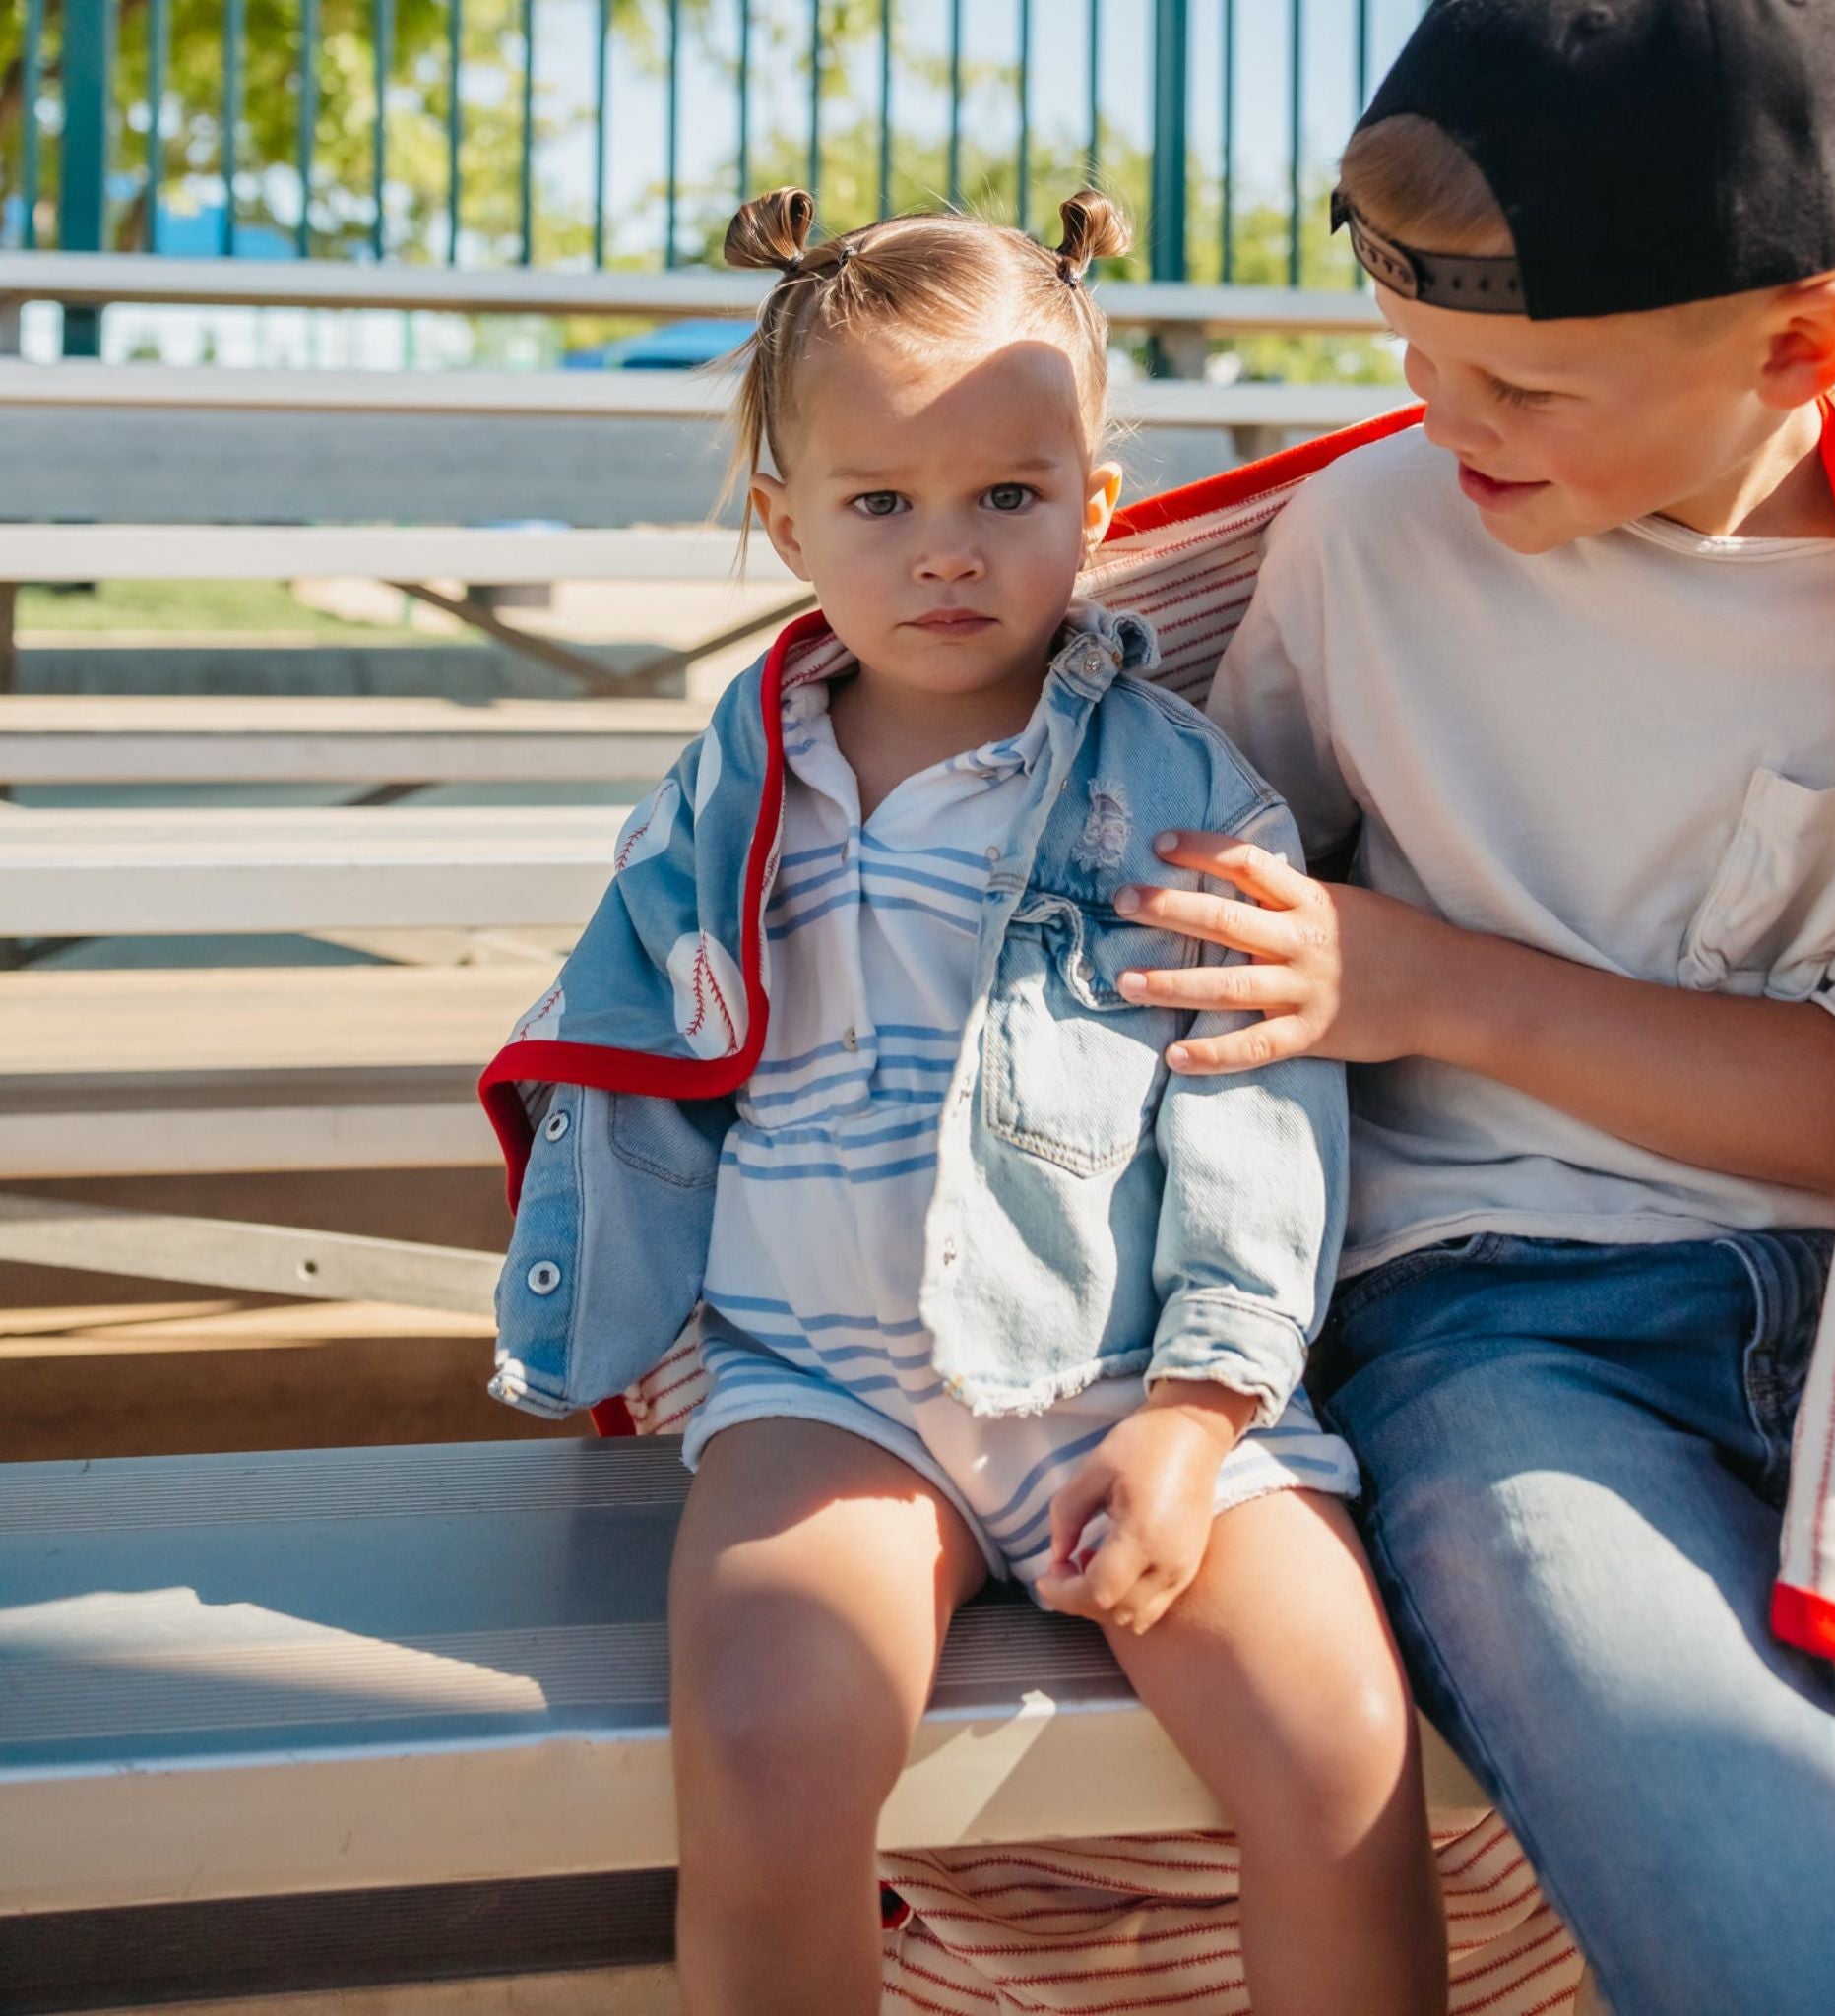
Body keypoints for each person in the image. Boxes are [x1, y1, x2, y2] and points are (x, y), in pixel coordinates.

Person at [1107, 3, 1835, 2011]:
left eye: (1519, 382)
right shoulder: (1364, 543)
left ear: (1801, 349)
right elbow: (1190, 888)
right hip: (1504, 1323)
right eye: (1410, 353)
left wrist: (1440, 985)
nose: (1445, 420)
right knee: (1700, 1768)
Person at [480, 188, 1446, 2015]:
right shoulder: (727, 794)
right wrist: (592, 1311)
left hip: (1133, 1383)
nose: (946, 553)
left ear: (1096, 507)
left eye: (1007, 496)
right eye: (880, 505)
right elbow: (632, 1059)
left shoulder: (1177, 796)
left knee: (1339, 1752)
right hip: (829, 1393)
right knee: (767, 1752)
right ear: (786, 523)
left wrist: (1198, 1419)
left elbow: (1254, 1113)